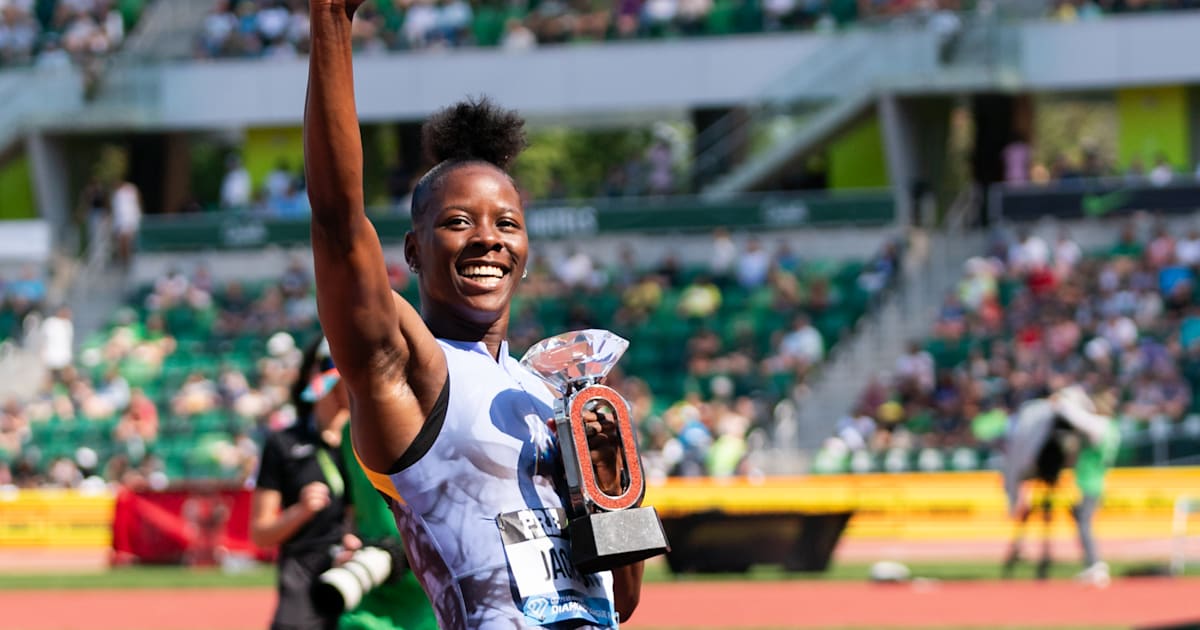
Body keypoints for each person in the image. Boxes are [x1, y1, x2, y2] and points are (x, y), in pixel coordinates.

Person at [303, 1, 644, 627]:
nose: (488, 239)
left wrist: (610, 485)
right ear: (413, 249)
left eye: (506, 224)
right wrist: (331, 21)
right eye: (457, 222)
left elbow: (620, 600)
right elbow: (336, 220)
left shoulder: (549, 392)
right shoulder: (411, 372)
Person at [251, 337, 359, 630]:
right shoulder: (283, 444)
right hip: (303, 575)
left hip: (361, 572)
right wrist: (300, 511)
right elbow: (260, 534)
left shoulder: (368, 446)